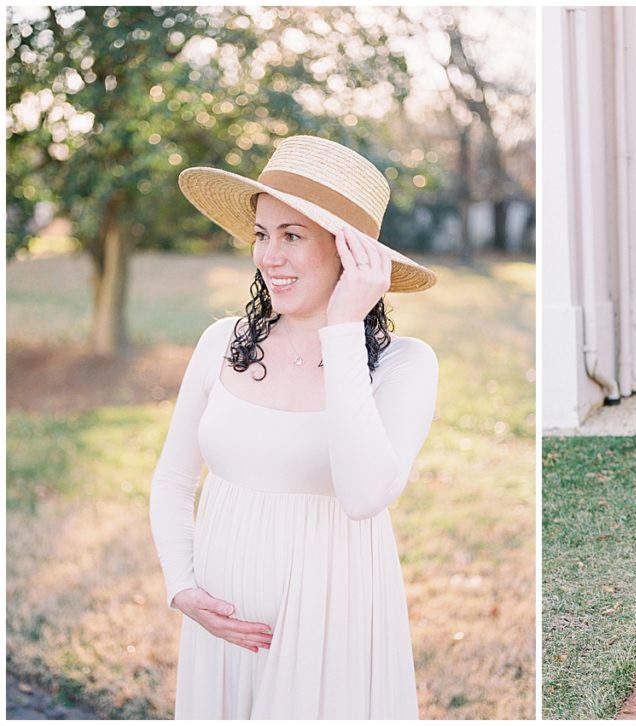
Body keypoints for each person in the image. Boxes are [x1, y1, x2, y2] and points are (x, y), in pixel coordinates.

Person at [149, 135, 439, 718]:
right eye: (262, 234)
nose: (268, 257)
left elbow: (363, 497)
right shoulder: (222, 343)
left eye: (292, 236)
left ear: (351, 254)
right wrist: (182, 586)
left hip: (333, 630)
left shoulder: (405, 365)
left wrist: (342, 329)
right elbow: (174, 479)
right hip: (221, 634)